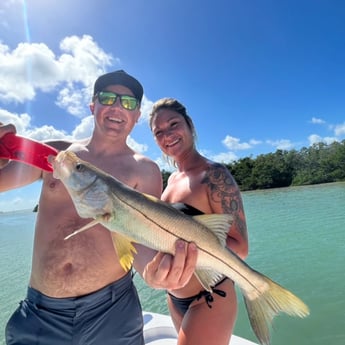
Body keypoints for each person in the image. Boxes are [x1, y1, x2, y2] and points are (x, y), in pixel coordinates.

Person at [0, 71, 198, 345]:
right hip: (41, 313)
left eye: (128, 103)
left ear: (137, 115)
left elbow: (140, 240)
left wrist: (152, 272)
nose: (117, 107)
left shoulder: (146, 170)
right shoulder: (56, 153)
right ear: (93, 105)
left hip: (113, 312)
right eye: (108, 98)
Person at [149, 98, 249, 345]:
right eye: (159, 132)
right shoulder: (170, 181)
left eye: (173, 124)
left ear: (189, 125)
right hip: (174, 298)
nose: (168, 135)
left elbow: (241, 247)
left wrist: (192, 255)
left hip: (209, 297)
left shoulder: (214, 175)